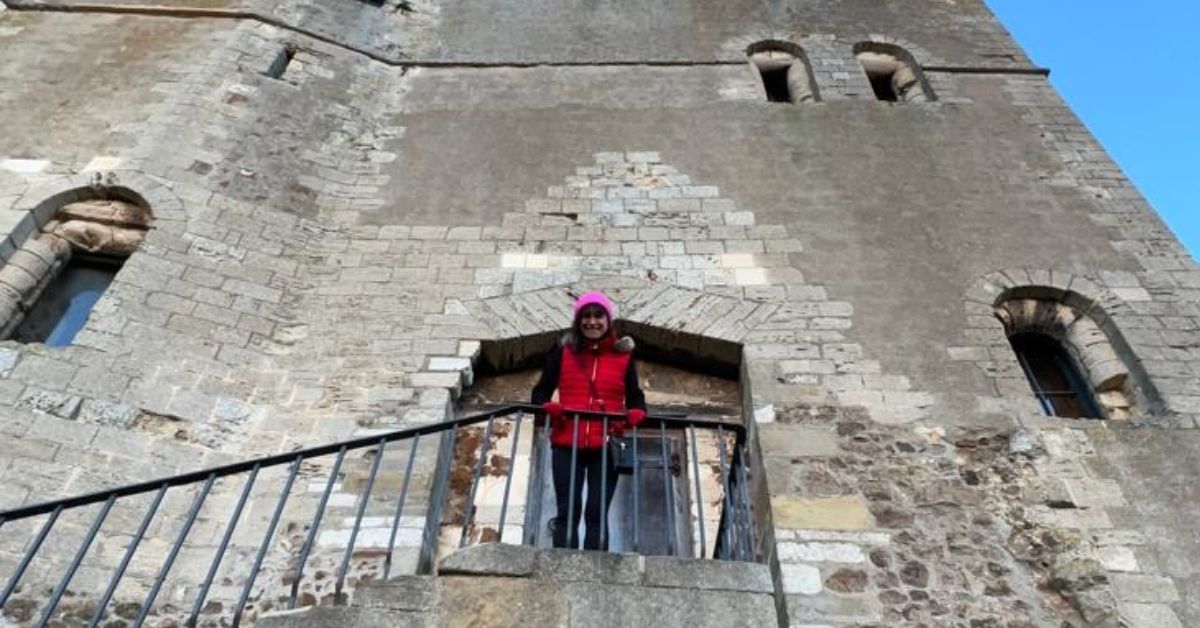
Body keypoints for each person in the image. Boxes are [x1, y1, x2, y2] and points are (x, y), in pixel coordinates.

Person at [531, 291, 646, 550]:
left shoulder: (623, 356)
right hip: (566, 440)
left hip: (606, 443)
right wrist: (549, 407)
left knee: (596, 509)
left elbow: (636, 396)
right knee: (568, 508)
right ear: (578, 321)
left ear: (608, 320)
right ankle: (562, 563)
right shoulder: (564, 351)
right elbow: (540, 392)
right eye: (586, 316)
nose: (592, 322)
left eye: (598, 316)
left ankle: (598, 569)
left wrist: (637, 412)